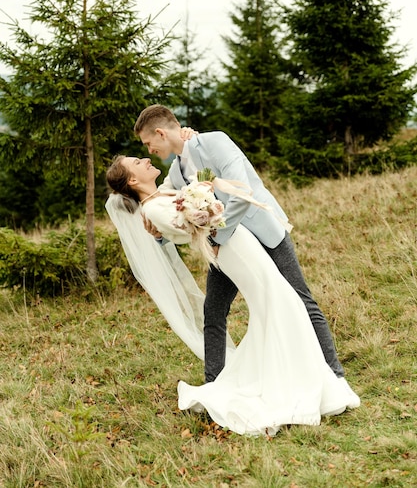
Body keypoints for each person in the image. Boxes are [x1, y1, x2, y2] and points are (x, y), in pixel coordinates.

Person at [105, 155, 360, 436]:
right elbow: (197, 226)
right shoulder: (152, 210)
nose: (145, 158)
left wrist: (202, 192)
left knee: (278, 304)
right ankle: (293, 386)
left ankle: (299, 378)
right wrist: (208, 203)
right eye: (136, 162)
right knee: (279, 303)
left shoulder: (161, 193)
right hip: (231, 250)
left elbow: (186, 196)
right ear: (131, 179)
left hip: (238, 242)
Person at [133, 105, 358, 405]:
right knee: (213, 311)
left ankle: (334, 374)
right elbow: (169, 212)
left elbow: (243, 192)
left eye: (150, 143)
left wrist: (217, 238)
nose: (150, 149)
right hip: (229, 250)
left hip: (260, 232)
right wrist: (157, 231)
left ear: (161, 133)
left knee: (301, 298)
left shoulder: (215, 142)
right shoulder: (176, 171)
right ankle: (214, 383)